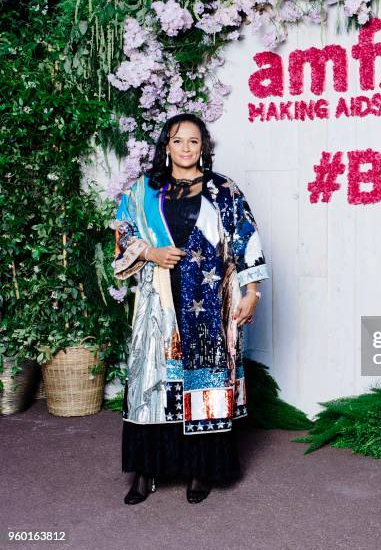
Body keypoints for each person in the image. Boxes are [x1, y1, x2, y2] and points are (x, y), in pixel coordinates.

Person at [109, 113, 270, 504]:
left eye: (193, 141)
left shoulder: (223, 190)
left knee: (205, 382)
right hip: (158, 302)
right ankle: (146, 472)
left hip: (208, 303)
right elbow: (122, 231)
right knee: (152, 383)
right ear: (167, 145)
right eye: (178, 141)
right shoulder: (143, 190)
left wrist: (252, 292)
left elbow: (246, 238)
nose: (185, 148)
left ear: (203, 147)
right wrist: (150, 251)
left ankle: (202, 469)